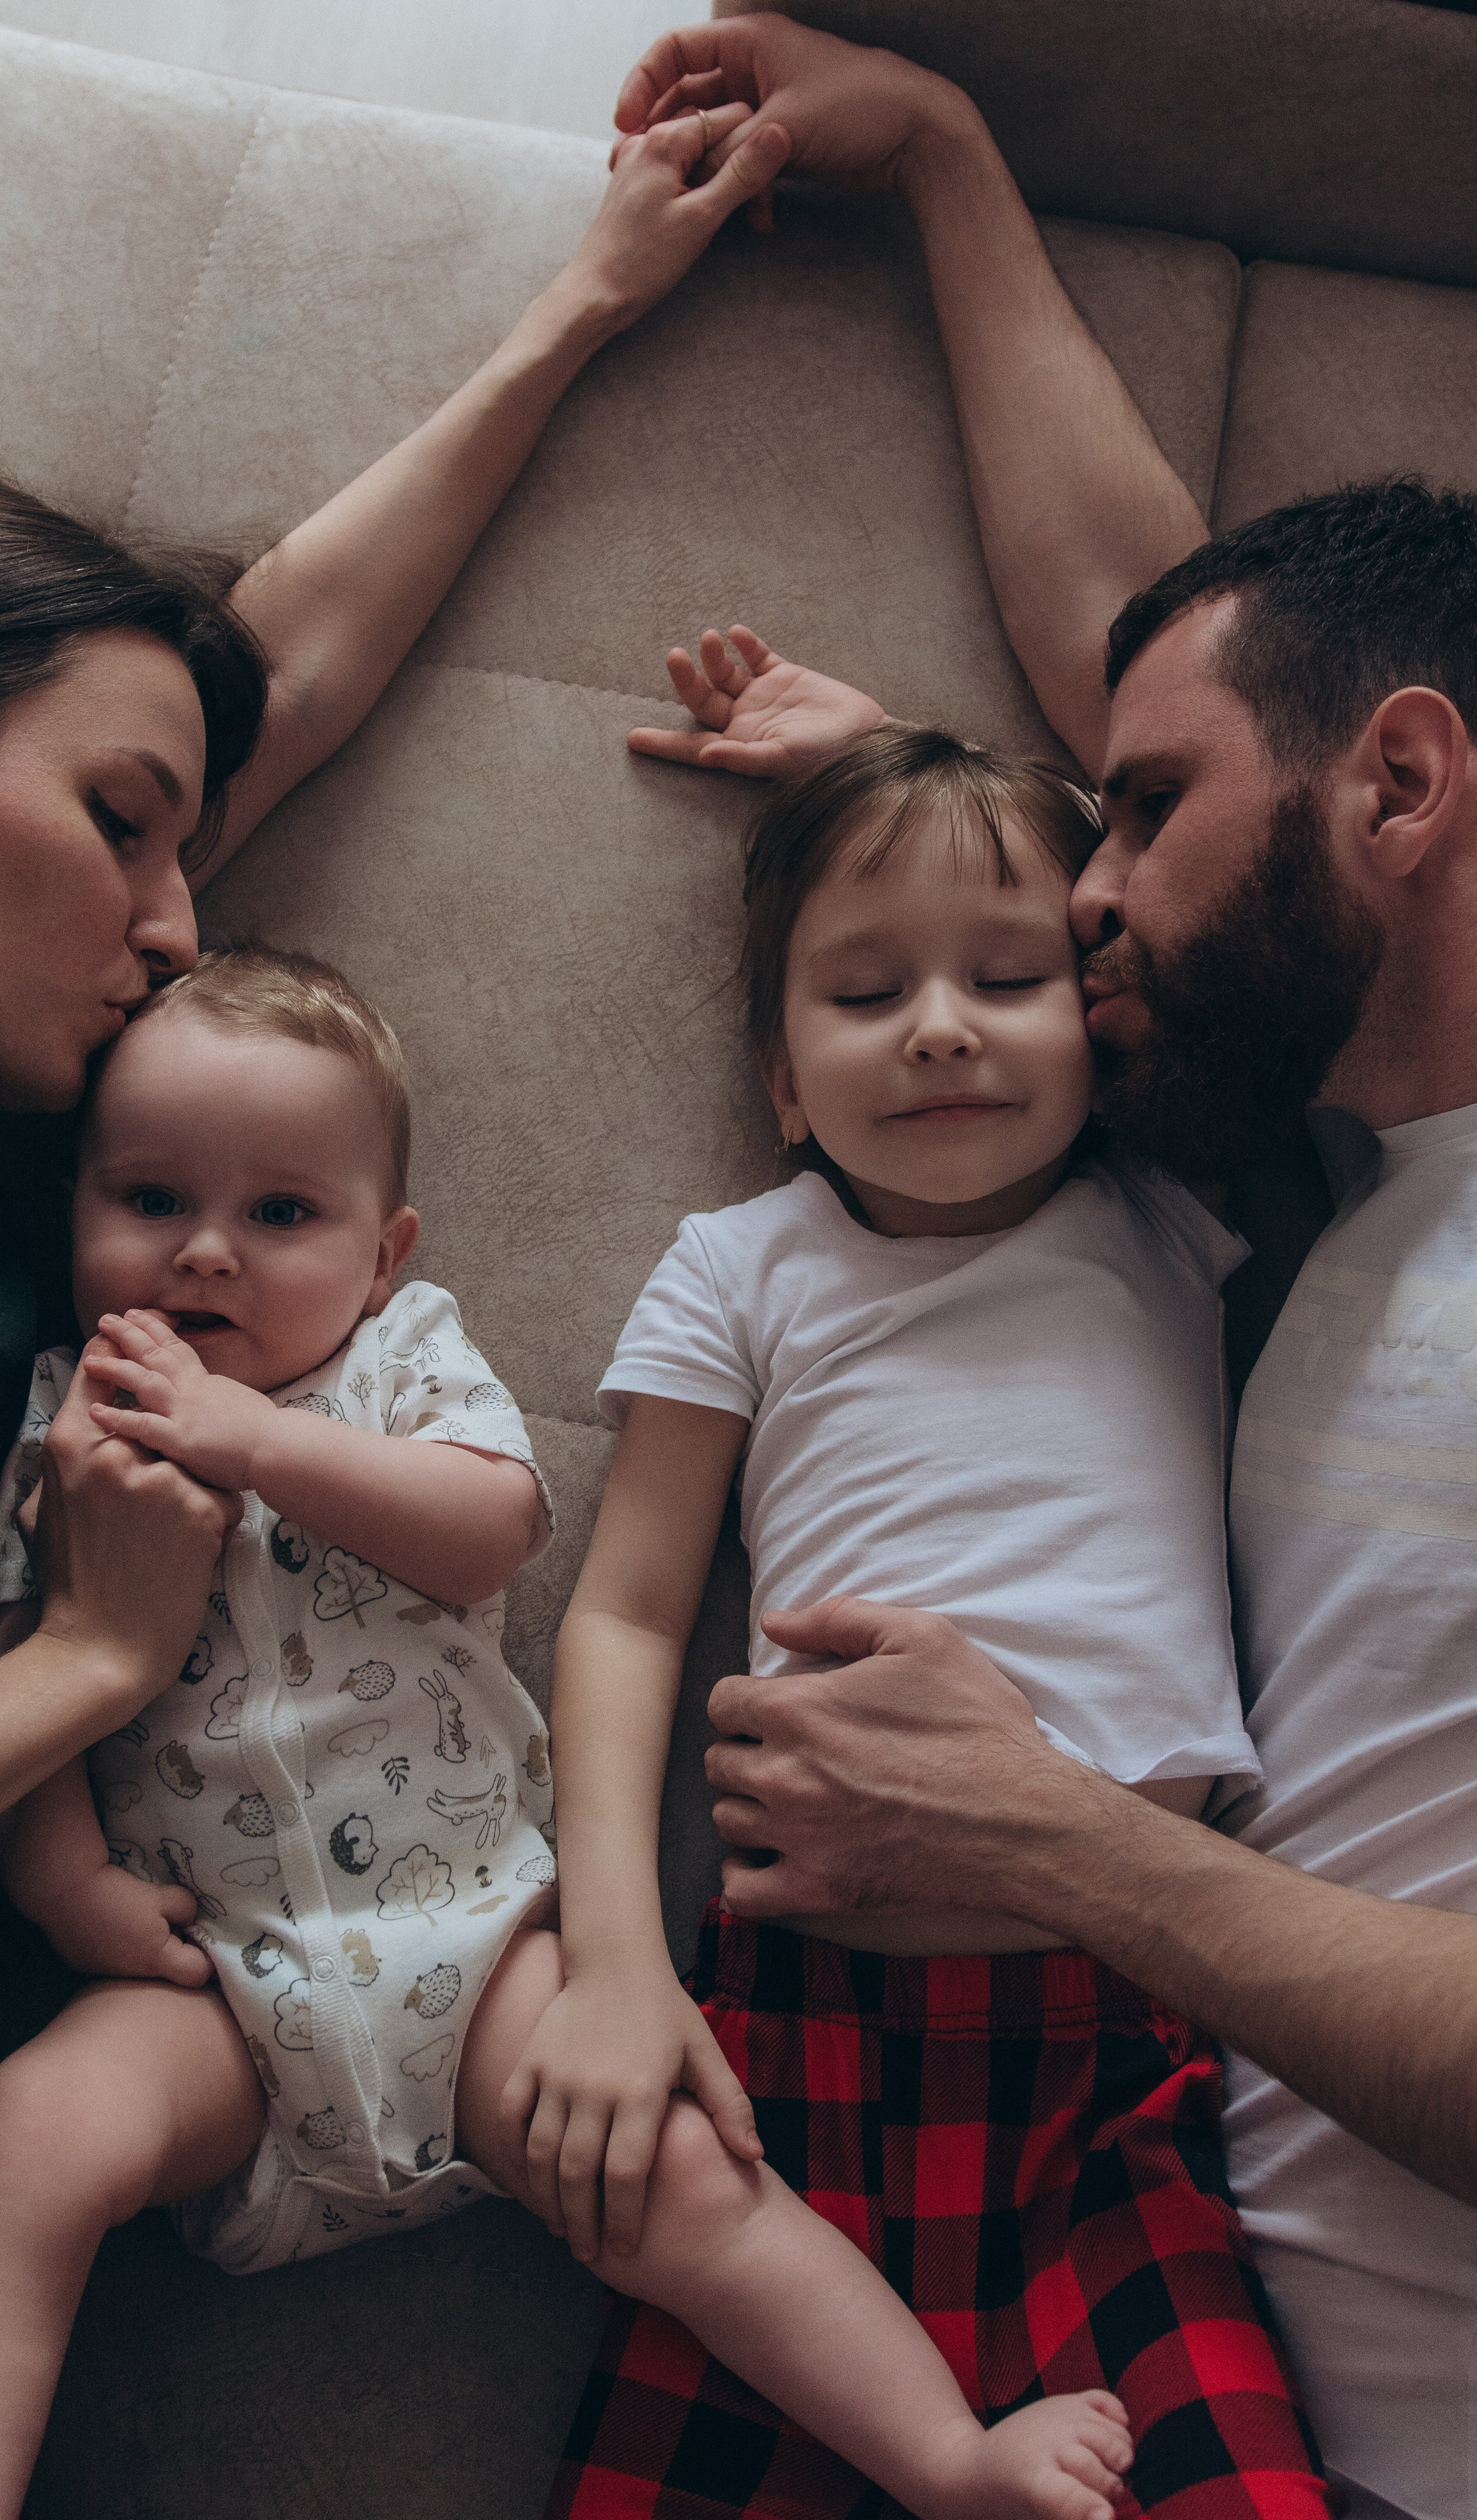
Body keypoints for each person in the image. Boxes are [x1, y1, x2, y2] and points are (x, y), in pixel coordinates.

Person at [0, 96, 793, 2517]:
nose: (175, 918)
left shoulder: (70, 1184)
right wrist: (79, 1675)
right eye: (121, 827)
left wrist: (583, 309)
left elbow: (283, 682)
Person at [597, 22, 1477, 2519]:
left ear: (1405, 790)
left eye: (1137, 826)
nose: (1083, 905)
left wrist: (1054, 1839)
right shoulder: (1296, 1182)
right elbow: (1160, 641)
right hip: (1048, 2280)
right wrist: (950, 159)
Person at [0, 942, 1137, 2520]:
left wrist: (255, 1439)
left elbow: (490, 1532)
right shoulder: (66, 1418)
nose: (203, 1256)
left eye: (280, 1215)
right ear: (74, 1212)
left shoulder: (403, 1361)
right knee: (26, 2142)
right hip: (216, 1996)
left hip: (475, 1959)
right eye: (146, 1202)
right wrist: (63, 1885)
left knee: (679, 2179)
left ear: (383, 1249)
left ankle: (948, 2456)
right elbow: (9, 1659)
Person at [533, 727, 1328, 2520]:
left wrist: (917, 756)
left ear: (1101, 1020)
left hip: (1117, 2065)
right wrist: (613, 1962)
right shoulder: (741, 1266)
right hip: (790, 2069)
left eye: (1010, 976)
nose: (946, 1026)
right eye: (869, 989)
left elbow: (1244, 949)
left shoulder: (1173, 1216)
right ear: (783, 1079)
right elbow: (628, 1616)